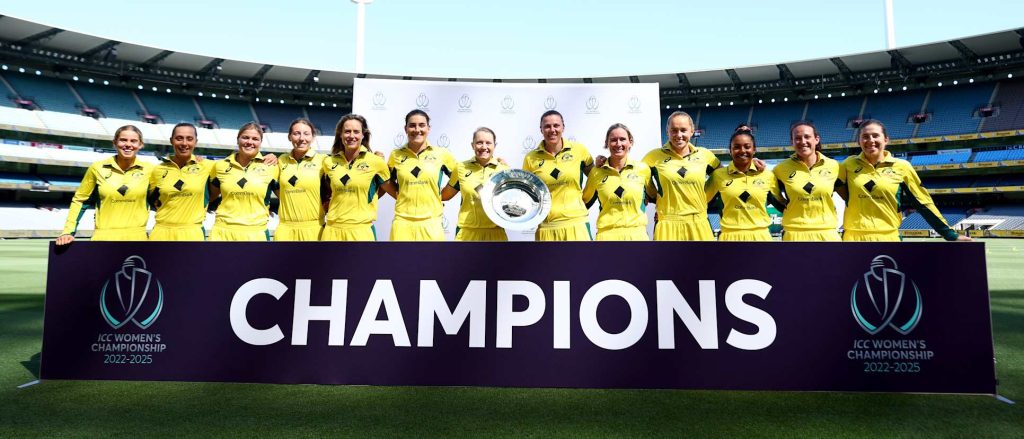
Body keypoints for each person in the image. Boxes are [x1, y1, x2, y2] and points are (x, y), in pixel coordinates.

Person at [838, 119, 971, 242]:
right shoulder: (848, 165)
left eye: (875, 135)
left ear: (886, 140)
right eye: (865, 137)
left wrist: (950, 234)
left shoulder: (902, 167)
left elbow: (923, 203)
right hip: (853, 238)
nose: (870, 140)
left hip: (888, 237)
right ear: (859, 141)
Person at [57, 125, 153, 244]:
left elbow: (164, 202)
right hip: (103, 238)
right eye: (123, 140)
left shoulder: (150, 170)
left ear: (140, 145)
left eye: (133, 141)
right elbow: (80, 200)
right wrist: (68, 231)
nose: (128, 144)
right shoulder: (97, 168)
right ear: (115, 142)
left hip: (138, 239)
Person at [641, 111, 720, 240]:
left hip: (699, 222)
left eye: (683, 130)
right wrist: (653, 196)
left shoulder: (705, 155)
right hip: (667, 223)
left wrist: (752, 163)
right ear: (667, 131)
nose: (679, 135)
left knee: (704, 261)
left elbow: (724, 176)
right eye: (674, 130)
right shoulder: (652, 157)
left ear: (692, 131)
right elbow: (634, 176)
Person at [381, 109, 456, 241]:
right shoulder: (396, 155)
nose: (417, 129)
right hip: (402, 223)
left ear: (428, 128)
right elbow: (386, 181)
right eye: (412, 125)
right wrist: (400, 196)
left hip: (431, 223)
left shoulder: (442, 154)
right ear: (405, 129)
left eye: (422, 125)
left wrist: (443, 196)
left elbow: (459, 179)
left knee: (432, 262)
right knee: (399, 262)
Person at [522, 110, 595, 241]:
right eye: (547, 126)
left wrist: (583, 203)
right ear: (541, 129)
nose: (552, 130)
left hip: (576, 224)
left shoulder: (579, 151)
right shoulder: (530, 159)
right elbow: (527, 194)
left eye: (556, 125)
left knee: (582, 262)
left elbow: (596, 179)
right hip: (547, 227)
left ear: (563, 127)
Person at [705, 129, 783, 241]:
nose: (742, 151)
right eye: (736, 147)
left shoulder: (767, 175)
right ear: (730, 150)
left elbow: (782, 204)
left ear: (754, 149)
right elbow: (701, 203)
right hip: (729, 237)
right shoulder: (718, 176)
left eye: (747, 146)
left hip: (761, 237)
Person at [321, 114, 390, 241]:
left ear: (363, 135)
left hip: (361, 232)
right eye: (347, 131)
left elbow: (389, 189)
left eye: (356, 132)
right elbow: (324, 191)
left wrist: (368, 198)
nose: (351, 136)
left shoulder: (376, 162)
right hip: (332, 231)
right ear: (340, 135)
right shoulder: (328, 162)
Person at [208, 122, 280, 241]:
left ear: (260, 143)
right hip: (222, 232)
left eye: (255, 139)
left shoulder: (272, 167)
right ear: (238, 140)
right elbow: (209, 197)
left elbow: (286, 198)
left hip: (256, 233)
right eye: (245, 137)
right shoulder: (220, 166)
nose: (249, 142)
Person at [772, 121, 842, 241]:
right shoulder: (780, 169)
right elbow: (774, 198)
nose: (803, 142)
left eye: (807, 137)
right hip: (794, 234)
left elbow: (848, 196)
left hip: (827, 234)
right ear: (792, 142)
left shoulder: (834, 166)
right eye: (797, 138)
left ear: (816, 139)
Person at [582, 123, 653, 241]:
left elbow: (655, 196)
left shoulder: (642, 169)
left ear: (630, 142)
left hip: (637, 236)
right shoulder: (596, 172)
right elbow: (583, 203)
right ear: (607, 143)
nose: (618, 144)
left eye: (622, 139)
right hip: (606, 237)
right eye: (613, 140)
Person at [441, 127, 510, 241]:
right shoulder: (461, 168)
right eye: (479, 143)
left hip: (496, 232)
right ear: (472, 145)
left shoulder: (504, 170)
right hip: (467, 233)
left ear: (494, 145)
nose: (484, 147)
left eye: (488, 143)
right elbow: (445, 195)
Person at [148, 123, 212, 241]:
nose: (184, 143)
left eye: (189, 139)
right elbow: (152, 200)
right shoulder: (157, 170)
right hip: (161, 232)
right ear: (171, 141)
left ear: (195, 142)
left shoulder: (207, 166)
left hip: (192, 233)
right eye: (179, 138)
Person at [275, 118, 328, 241]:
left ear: (313, 137)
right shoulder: (280, 161)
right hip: (285, 230)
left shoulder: (323, 160)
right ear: (289, 137)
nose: (301, 138)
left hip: (314, 229)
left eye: (306, 134)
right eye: (296, 133)